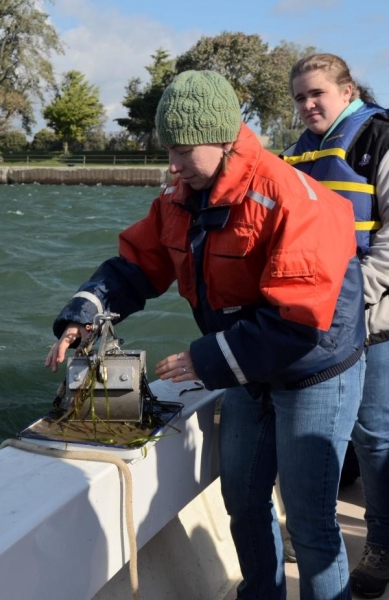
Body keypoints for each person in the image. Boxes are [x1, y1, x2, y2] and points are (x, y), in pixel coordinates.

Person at [46, 69, 366, 600]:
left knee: (310, 524)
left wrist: (206, 358)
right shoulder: (179, 194)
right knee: (242, 502)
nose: (171, 164)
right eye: (166, 148)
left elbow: (299, 320)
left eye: (182, 150)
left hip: (316, 370)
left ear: (222, 138)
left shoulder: (293, 198)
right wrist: (85, 314)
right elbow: (136, 265)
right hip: (246, 367)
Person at [283, 52, 389, 599]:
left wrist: (349, 306)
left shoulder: (379, 140)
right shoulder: (299, 152)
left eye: (317, 94)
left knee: (376, 437)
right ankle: (309, 528)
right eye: (300, 97)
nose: (307, 105)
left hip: (372, 321)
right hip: (318, 323)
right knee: (323, 433)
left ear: (347, 91)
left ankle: (383, 545)